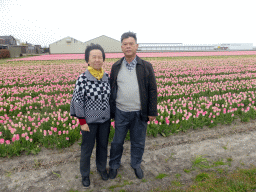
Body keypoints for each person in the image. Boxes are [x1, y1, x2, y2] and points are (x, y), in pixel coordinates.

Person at [108, 32, 158, 179]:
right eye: (125, 44)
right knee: (117, 142)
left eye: (131, 44)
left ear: (136, 46)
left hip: (139, 112)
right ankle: (114, 165)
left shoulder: (146, 66)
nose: (128, 46)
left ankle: (136, 164)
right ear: (122, 47)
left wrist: (152, 111)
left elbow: (152, 89)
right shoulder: (116, 66)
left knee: (138, 142)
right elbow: (112, 87)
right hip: (121, 111)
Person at [70, 43, 111, 188]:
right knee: (87, 149)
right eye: (94, 57)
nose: (97, 60)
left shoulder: (106, 77)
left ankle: (101, 169)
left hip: (105, 121)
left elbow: (109, 97)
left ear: (103, 59)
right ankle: (85, 174)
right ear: (87, 60)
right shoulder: (83, 78)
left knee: (102, 147)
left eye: (100, 57)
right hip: (89, 122)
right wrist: (82, 121)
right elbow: (77, 100)